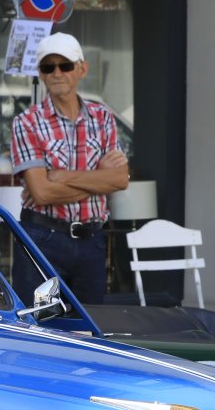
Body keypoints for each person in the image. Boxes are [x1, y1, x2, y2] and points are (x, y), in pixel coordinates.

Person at [9, 32, 129, 304]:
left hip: (92, 240)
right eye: (48, 67)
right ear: (40, 74)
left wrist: (62, 177)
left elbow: (120, 179)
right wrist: (98, 180)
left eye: (65, 65)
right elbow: (42, 193)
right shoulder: (26, 122)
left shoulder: (103, 117)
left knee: (88, 322)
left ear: (82, 69)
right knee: (38, 323)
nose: (57, 73)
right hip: (43, 238)